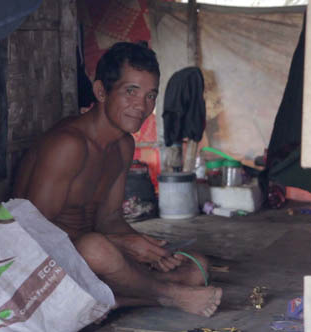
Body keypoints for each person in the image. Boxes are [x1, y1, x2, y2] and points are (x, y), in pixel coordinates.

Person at [13, 42, 222, 317]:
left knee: (197, 268)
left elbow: (110, 218)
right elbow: (33, 232)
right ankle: (167, 295)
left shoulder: (123, 146)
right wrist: (121, 244)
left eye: (150, 95)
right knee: (97, 249)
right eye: (130, 91)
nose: (141, 105)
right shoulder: (68, 145)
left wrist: (150, 250)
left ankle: (116, 298)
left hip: (92, 259)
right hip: (42, 264)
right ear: (101, 91)